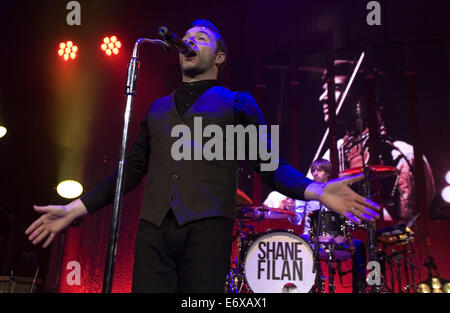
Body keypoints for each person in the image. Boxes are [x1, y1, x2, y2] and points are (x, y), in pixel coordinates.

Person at [25, 20, 380, 293]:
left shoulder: (239, 103)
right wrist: (75, 208)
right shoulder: (157, 109)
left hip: (207, 232)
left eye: (201, 39)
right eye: (187, 38)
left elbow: (269, 167)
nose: (189, 41)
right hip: (153, 234)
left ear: (220, 57)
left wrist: (317, 191)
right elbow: (130, 173)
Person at [316, 59, 435, 222]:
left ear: (367, 97)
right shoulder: (333, 153)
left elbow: (407, 228)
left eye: (335, 88)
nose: (322, 98)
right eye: (324, 90)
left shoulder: (404, 157)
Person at [264, 158, 367, 293]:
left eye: (319, 170)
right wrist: (291, 211)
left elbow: (346, 217)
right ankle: (306, 287)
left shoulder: (338, 192)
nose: (315, 173)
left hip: (336, 238)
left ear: (328, 172)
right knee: (297, 242)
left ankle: (360, 289)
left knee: (359, 245)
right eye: (313, 171)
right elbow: (297, 219)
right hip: (311, 237)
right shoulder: (305, 192)